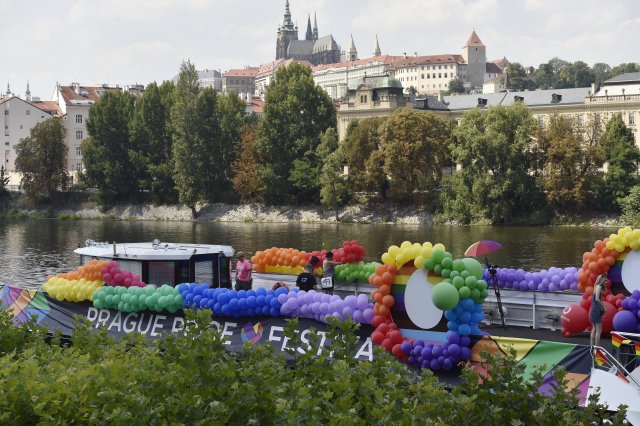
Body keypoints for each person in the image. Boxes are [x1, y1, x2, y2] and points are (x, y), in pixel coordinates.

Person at [589, 274, 607, 347]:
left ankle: (591, 346)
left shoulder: (595, 286)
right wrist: (604, 307)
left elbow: (596, 299)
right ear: (601, 280)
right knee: (599, 331)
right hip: (596, 310)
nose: (606, 282)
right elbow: (597, 299)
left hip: (593, 309)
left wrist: (603, 305)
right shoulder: (599, 287)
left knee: (594, 328)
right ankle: (597, 348)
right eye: (605, 280)